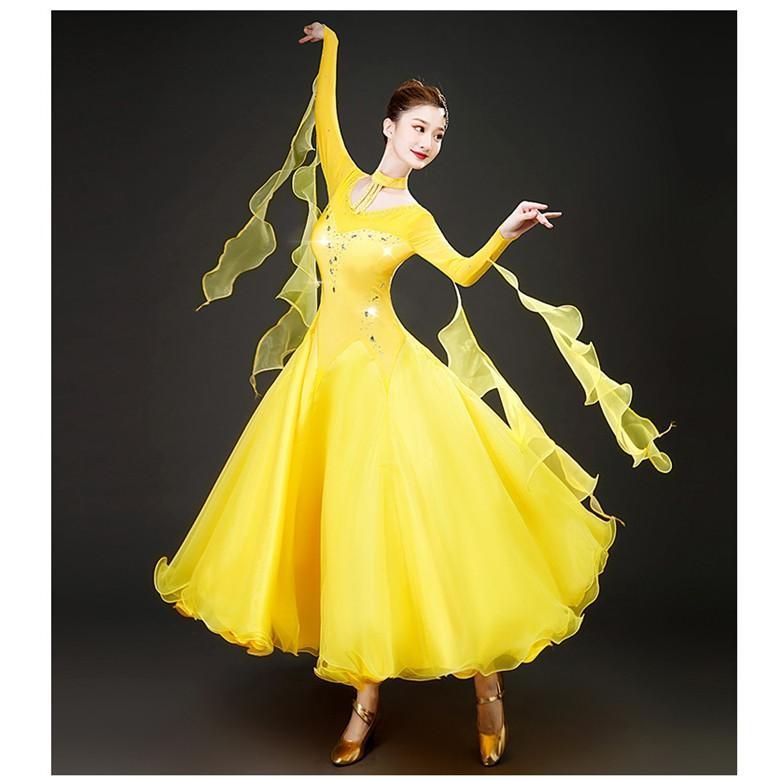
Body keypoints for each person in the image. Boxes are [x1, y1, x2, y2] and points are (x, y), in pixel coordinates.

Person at [154, 20, 674, 768]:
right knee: (349, 539)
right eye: (419, 127)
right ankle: (365, 700)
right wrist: (333, 46)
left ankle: (487, 688)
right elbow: (323, 113)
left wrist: (506, 231)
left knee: (433, 532)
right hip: (319, 383)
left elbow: (462, 272)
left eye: (439, 133)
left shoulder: (416, 217)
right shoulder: (342, 177)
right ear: (389, 128)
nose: (429, 141)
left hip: (386, 380)